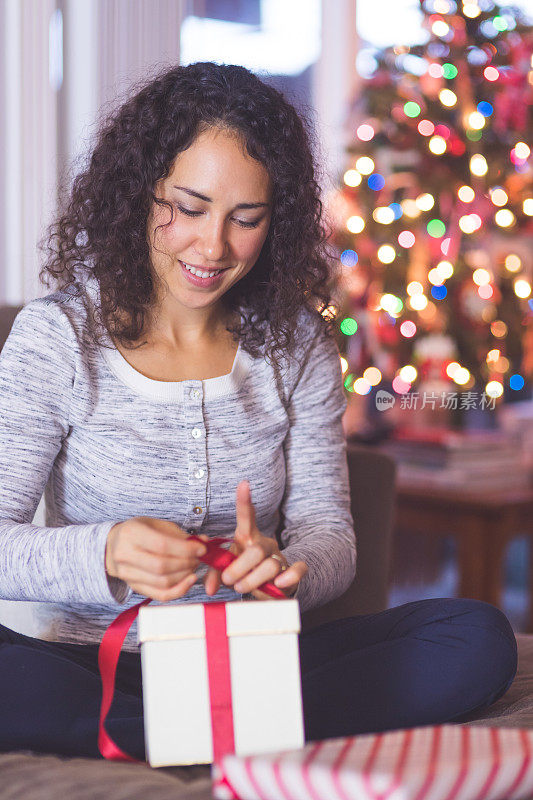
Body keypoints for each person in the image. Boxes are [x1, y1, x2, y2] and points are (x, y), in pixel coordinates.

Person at [0, 62, 517, 761]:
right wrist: (108, 552)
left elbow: (328, 535)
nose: (212, 248)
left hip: (257, 662)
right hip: (96, 671)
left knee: (475, 638)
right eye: (187, 207)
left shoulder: (295, 343)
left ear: (277, 220)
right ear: (137, 192)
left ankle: (185, 734)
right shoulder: (58, 337)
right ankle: (215, 733)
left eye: (245, 218)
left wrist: (284, 570)